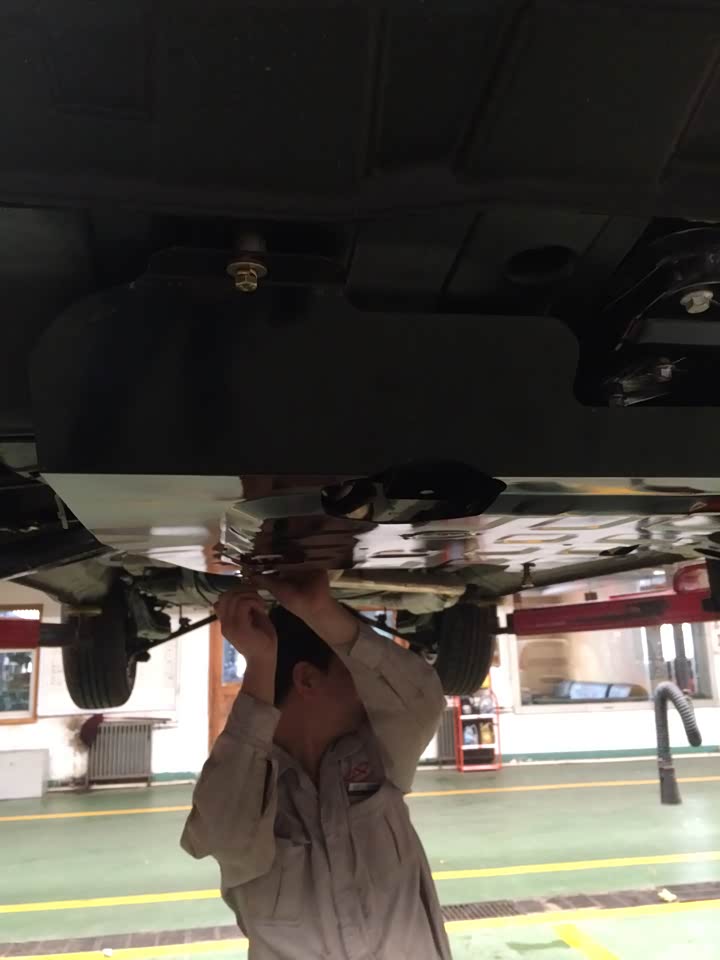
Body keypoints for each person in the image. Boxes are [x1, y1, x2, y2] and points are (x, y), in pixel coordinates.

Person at [181, 571, 451, 960]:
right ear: (308, 680)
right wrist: (260, 665)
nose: (367, 688)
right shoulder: (249, 782)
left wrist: (321, 611)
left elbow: (422, 697)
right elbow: (222, 831)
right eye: (353, 674)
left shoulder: (380, 754)